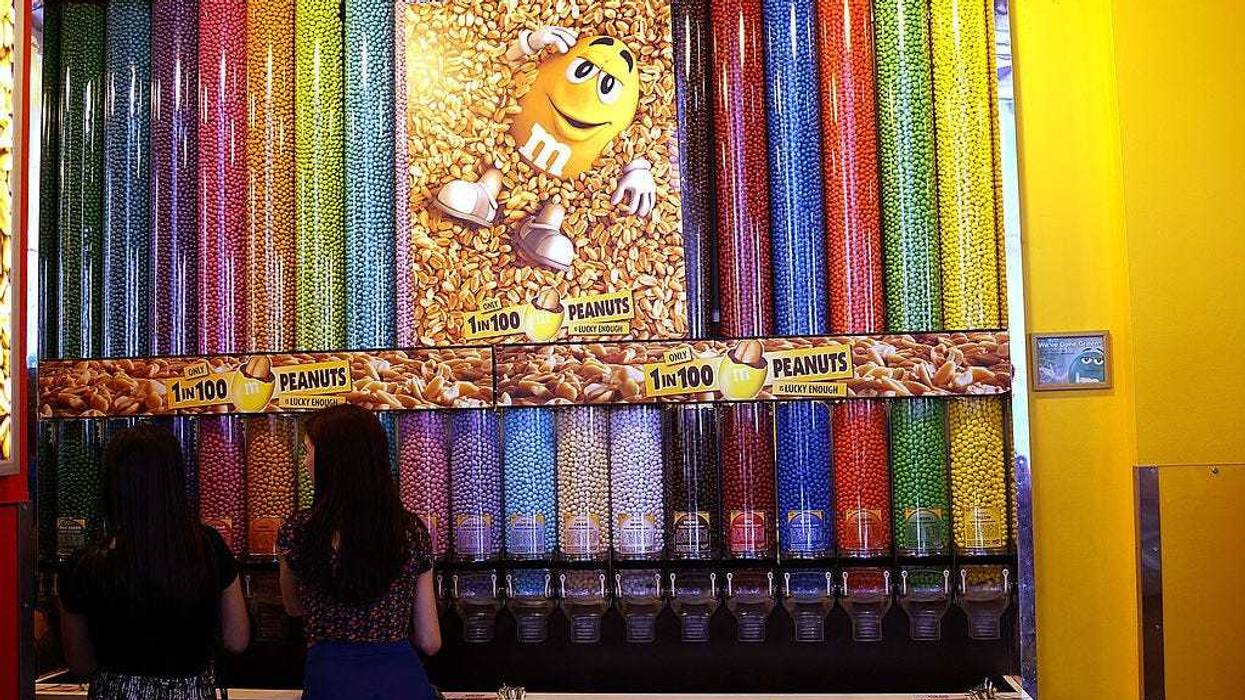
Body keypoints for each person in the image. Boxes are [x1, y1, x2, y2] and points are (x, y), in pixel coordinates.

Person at [59, 424, 250, 699]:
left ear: (111, 484)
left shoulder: (83, 566)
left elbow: (80, 664)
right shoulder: (208, 546)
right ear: (176, 481)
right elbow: (237, 639)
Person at [278, 405, 441, 700]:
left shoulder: (297, 532)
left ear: (332, 461)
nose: (304, 462)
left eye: (307, 451)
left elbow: (293, 607)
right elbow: (430, 641)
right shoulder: (411, 532)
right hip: (400, 683)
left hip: (330, 683)